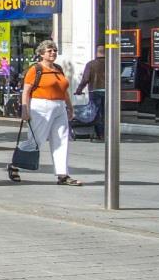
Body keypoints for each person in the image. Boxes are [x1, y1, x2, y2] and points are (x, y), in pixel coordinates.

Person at [15, 41, 79, 185]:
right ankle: (15, 164)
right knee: (36, 140)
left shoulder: (58, 69)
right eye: (49, 50)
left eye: (55, 50)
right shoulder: (35, 69)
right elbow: (26, 91)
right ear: (41, 53)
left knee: (61, 140)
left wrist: (70, 107)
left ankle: (63, 174)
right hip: (40, 106)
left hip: (59, 106)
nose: (53, 53)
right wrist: (25, 109)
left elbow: (64, 90)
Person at [75, 49, 107, 141]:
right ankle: (109, 133)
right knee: (108, 112)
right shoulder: (111, 63)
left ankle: (100, 134)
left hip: (95, 90)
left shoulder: (91, 64)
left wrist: (79, 90)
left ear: (96, 54)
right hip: (109, 92)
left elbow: (85, 79)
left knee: (97, 112)